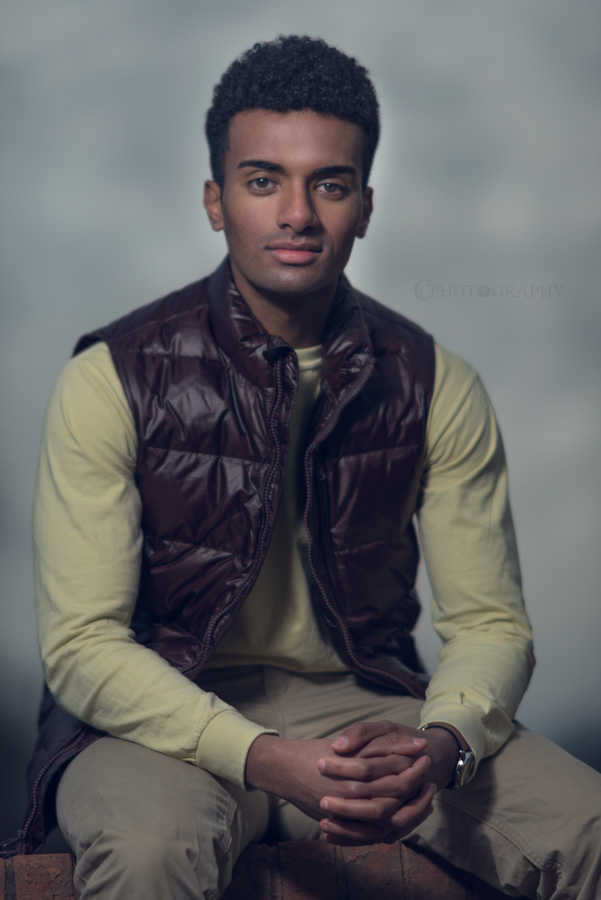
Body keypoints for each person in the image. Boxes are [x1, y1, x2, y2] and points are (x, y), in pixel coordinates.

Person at [6, 34, 600, 900]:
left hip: (367, 708)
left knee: (590, 827)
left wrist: (442, 744)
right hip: (157, 714)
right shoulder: (111, 378)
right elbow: (83, 647)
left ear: (365, 205)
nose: (296, 214)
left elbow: (489, 625)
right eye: (262, 181)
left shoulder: (434, 382)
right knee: (149, 851)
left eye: (328, 183)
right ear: (215, 201)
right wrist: (261, 756)